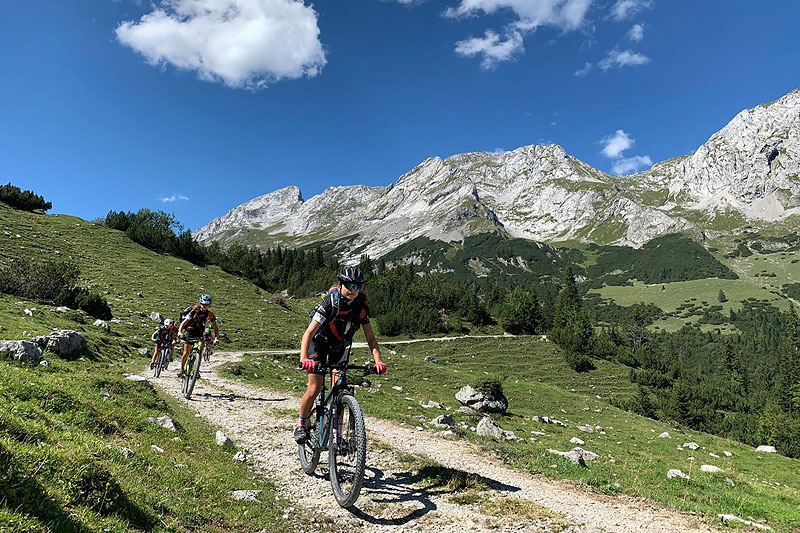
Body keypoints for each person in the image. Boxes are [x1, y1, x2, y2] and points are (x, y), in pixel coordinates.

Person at [294, 266, 387, 444]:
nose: (353, 290)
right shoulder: (330, 303)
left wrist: (378, 361)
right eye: (349, 285)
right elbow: (308, 333)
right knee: (314, 388)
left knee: (340, 389)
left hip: (338, 348)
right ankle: (302, 424)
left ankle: (338, 435)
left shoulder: (360, 308)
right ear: (341, 284)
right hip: (318, 345)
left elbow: (371, 338)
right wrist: (304, 358)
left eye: (357, 286)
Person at [177, 294, 219, 377]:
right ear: (200, 303)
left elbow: (215, 327)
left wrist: (216, 338)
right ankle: (181, 369)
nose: (204, 306)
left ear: (209, 305)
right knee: (186, 353)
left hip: (200, 333)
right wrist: (180, 332)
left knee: (200, 350)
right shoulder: (194, 311)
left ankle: (197, 370)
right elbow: (184, 322)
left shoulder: (210, 314)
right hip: (190, 331)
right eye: (203, 304)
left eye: (206, 305)